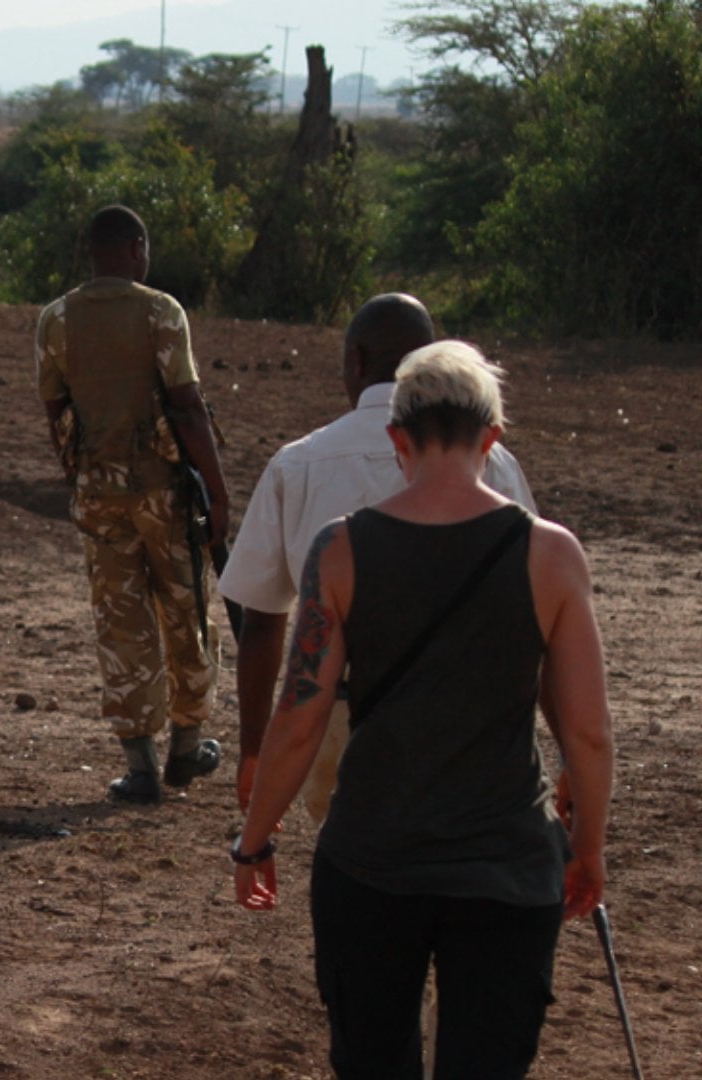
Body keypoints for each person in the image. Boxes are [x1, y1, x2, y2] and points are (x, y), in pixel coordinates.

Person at [232, 341, 613, 1080]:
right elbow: (588, 734)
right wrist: (589, 848)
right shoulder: (553, 556)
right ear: (491, 439)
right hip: (505, 870)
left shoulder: (339, 551)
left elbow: (300, 718)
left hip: (371, 865)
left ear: (397, 440)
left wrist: (254, 841)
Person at [220, 294, 536, 823]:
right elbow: (530, 609)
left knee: (358, 868)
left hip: (340, 720)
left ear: (357, 362)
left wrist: (254, 750)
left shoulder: (298, 465)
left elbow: (262, 623)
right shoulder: (492, 461)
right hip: (467, 722)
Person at [37, 205, 230, 804]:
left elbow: (56, 412)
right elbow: (188, 406)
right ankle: (188, 744)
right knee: (186, 609)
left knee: (121, 622)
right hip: (164, 493)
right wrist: (218, 493)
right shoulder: (159, 311)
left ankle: (139, 764)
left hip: (99, 496)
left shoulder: (56, 318)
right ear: (136, 247)